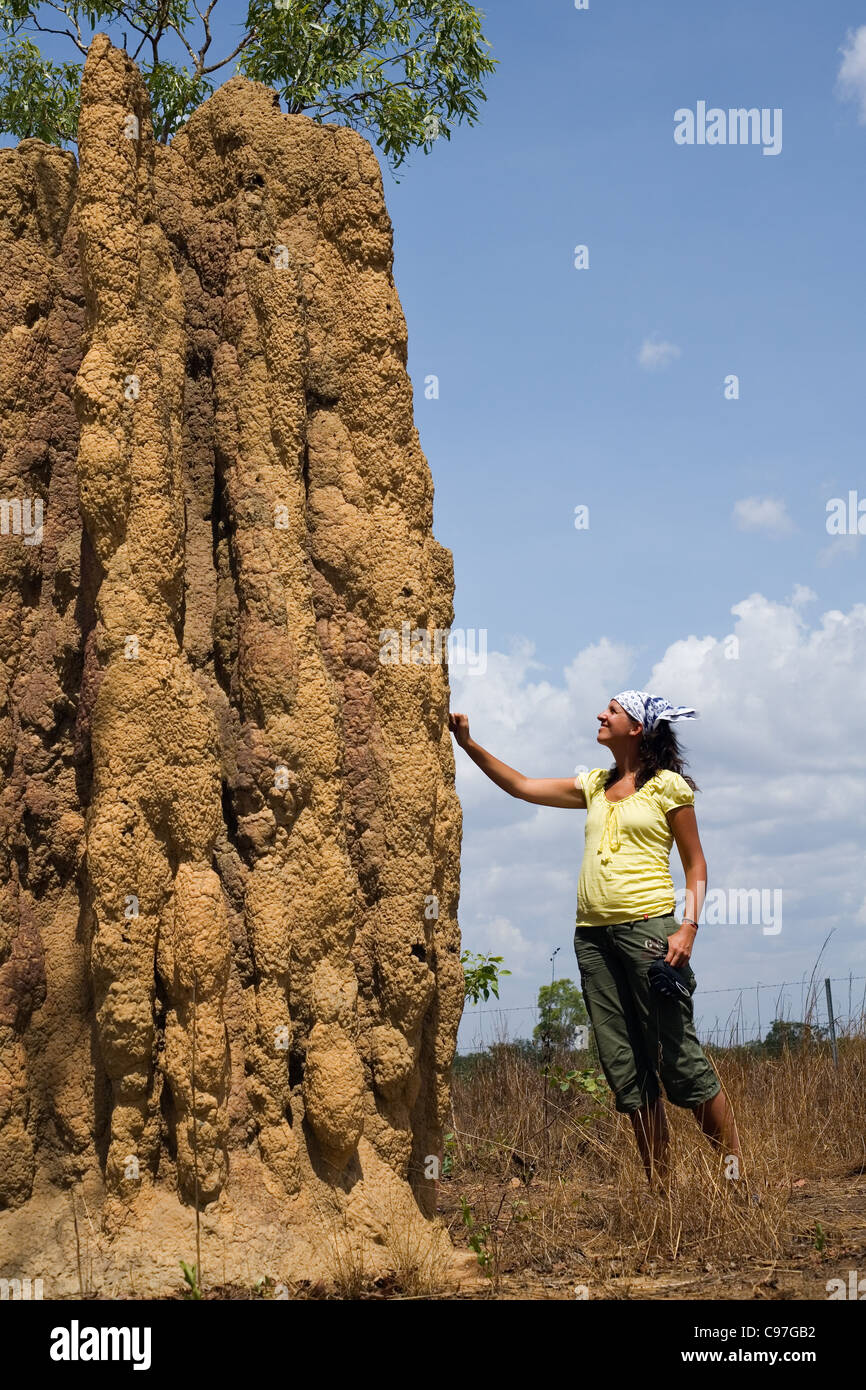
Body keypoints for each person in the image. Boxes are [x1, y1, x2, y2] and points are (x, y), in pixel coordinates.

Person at [448, 690, 742, 1189]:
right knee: (624, 1069)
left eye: (612, 711)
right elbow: (520, 786)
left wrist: (688, 926)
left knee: (682, 1063)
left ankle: (737, 1182)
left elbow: (696, 864)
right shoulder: (593, 784)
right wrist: (468, 743)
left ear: (637, 729)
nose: (600, 715)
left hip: (652, 935)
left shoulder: (668, 787)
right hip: (593, 941)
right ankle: (661, 1192)